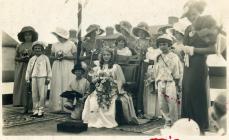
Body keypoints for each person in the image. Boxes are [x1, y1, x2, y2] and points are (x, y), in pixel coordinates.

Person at [180, 0, 217, 134]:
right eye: (189, 15)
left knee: (196, 92)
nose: (191, 17)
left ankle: (200, 125)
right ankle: (187, 123)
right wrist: (182, 51)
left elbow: (214, 48)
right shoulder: (188, 28)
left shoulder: (206, 26)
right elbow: (185, 46)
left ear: (200, 12)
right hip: (187, 65)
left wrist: (194, 50)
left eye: (194, 14)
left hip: (199, 64)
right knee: (187, 91)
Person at [82, 49, 138, 128]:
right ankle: (94, 120)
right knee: (92, 98)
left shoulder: (115, 67)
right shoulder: (98, 67)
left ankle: (107, 120)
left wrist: (110, 79)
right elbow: (93, 81)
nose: (106, 57)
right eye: (104, 55)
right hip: (100, 88)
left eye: (108, 55)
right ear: (102, 56)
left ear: (111, 56)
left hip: (112, 88)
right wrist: (98, 78)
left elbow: (121, 81)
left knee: (108, 100)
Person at [153, 34, 182, 128]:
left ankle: (174, 121)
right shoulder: (157, 57)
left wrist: (177, 83)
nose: (162, 46)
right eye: (160, 44)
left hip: (171, 82)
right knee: (162, 103)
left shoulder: (174, 57)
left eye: (164, 44)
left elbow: (177, 71)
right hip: (161, 82)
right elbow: (155, 71)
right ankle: (167, 120)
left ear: (169, 45)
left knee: (172, 102)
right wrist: (156, 82)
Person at [49, 27, 77, 112]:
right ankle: (57, 107)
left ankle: (67, 106)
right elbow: (51, 56)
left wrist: (65, 57)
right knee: (57, 83)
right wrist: (56, 57)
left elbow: (75, 57)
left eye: (59, 36)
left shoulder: (71, 44)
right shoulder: (55, 45)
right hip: (57, 65)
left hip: (68, 65)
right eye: (57, 36)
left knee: (67, 83)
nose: (58, 37)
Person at [13, 26, 38, 114]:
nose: (27, 37)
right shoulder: (19, 46)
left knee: (32, 86)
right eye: (25, 35)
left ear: (32, 36)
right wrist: (22, 59)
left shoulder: (35, 45)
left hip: (32, 67)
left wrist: (30, 58)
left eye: (29, 35)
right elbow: (15, 57)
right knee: (23, 87)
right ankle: (25, 106)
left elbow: (38, 56)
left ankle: (32, 106)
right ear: (23, 36)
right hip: (22, 68)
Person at [25, 41, 52, 117]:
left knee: (42, 94)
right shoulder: (32, 59)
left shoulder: (45, 58)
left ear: (42, 49)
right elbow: (28, 70)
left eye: (39, 48)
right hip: (34, 77)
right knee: (34, 94)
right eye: (36, 48)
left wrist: (49, 78)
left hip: (42, 77)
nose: (37, 50)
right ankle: (35, 110)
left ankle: (41, 110)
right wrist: (27, 78)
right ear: (33, 50)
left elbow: (49, 69)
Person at [132, 22, 151, 117]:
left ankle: (143, 108)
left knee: (143, 84)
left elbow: (150, 52)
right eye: (140, 32)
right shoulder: (136, 41)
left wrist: (144, 54)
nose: (141, 34)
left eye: (143, 32)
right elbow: (135, 51)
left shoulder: (149, 41)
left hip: (145, 63)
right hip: (137, 63)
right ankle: (135, 108)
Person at [144, 35, 162, 119]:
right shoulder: (148, 51)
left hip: (158, 70)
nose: (152, 43)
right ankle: (150, 112)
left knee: (157, 89)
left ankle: (158, 112)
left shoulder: (160, 51)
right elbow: (147, 61)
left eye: (154, 41)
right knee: (150, 89)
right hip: (150, 69)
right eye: (151, 41)